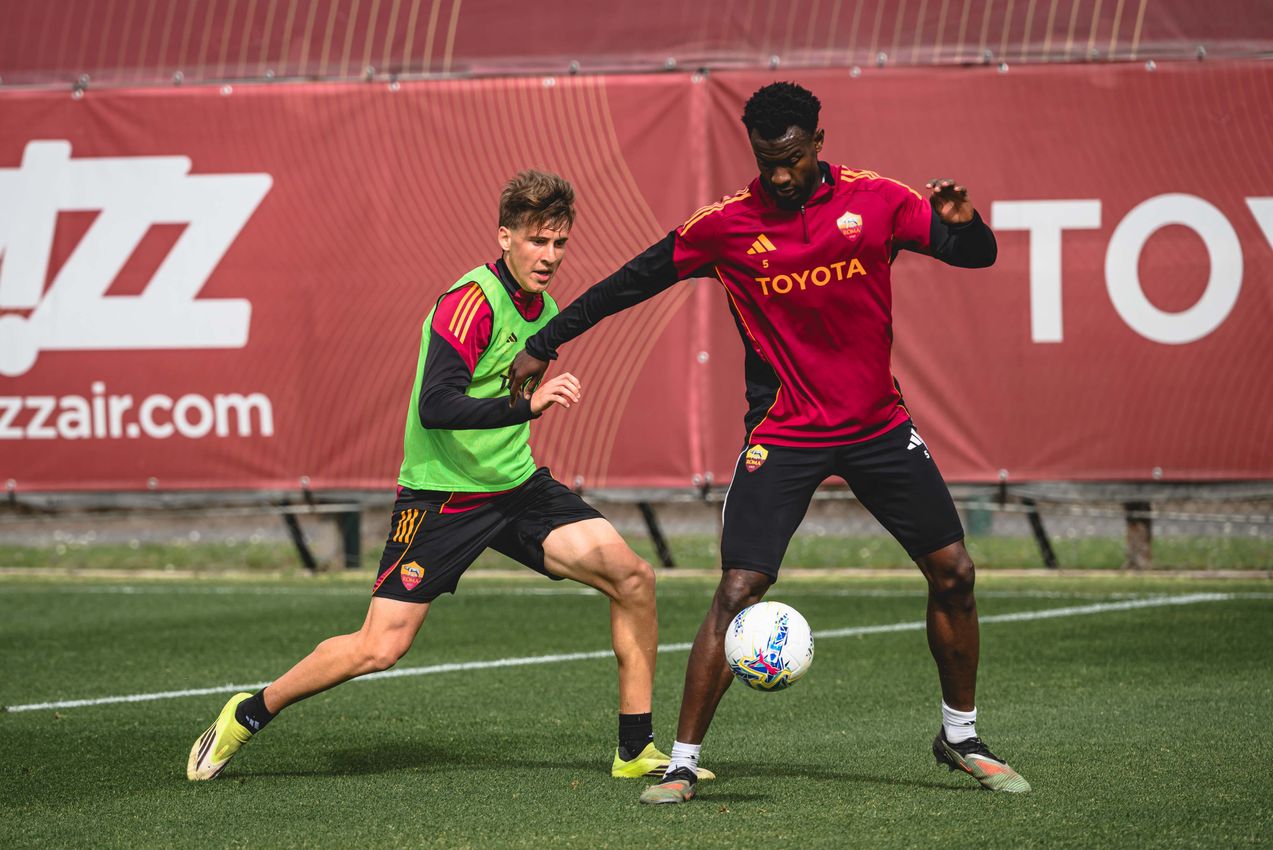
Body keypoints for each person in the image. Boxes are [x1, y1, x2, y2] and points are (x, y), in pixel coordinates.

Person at [506, 83, 1030, 803]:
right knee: (739, 589)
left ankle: (961, 736)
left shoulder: (878, 200)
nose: (779, 174)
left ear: (817, 140)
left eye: (790, 157)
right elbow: (632, 282)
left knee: (955, 573)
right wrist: (543, 341)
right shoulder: (724, 226)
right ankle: (683, 761)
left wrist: (965, 226)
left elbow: (974, 256)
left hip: (877, 425)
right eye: (765, 159)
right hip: (783, 433)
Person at [188, 170, 687, 784]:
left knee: (633, 578)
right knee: (380, 647)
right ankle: (249, 712)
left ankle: (635, 750)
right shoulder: (470, 303)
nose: (549, 257)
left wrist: (518, 419)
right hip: (443, 494)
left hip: (518, 489)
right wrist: (523, 408)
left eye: (559, 244)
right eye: (536, 241)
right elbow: (436, 404)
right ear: (504, 235)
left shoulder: (546, 309)